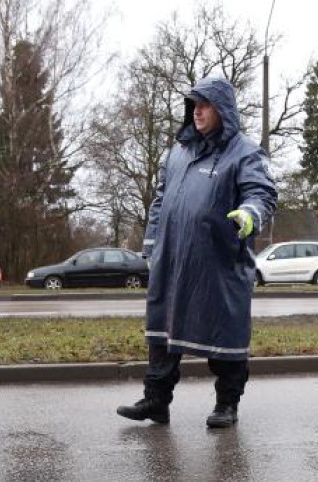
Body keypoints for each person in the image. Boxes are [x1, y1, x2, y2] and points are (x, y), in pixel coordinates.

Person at [117, 77, 277, 428]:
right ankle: (156, 401)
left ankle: (227, 405)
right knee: (162, 332)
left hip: (218, 264)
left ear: (224, 110)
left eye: (205, 105)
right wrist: (151, 242)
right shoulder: (178, 152)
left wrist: (249, 215)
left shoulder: (245, 152)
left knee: (224, 334)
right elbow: (160, 200)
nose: (198, 111)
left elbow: (262, 194)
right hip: (172, 261)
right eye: (194, 105)